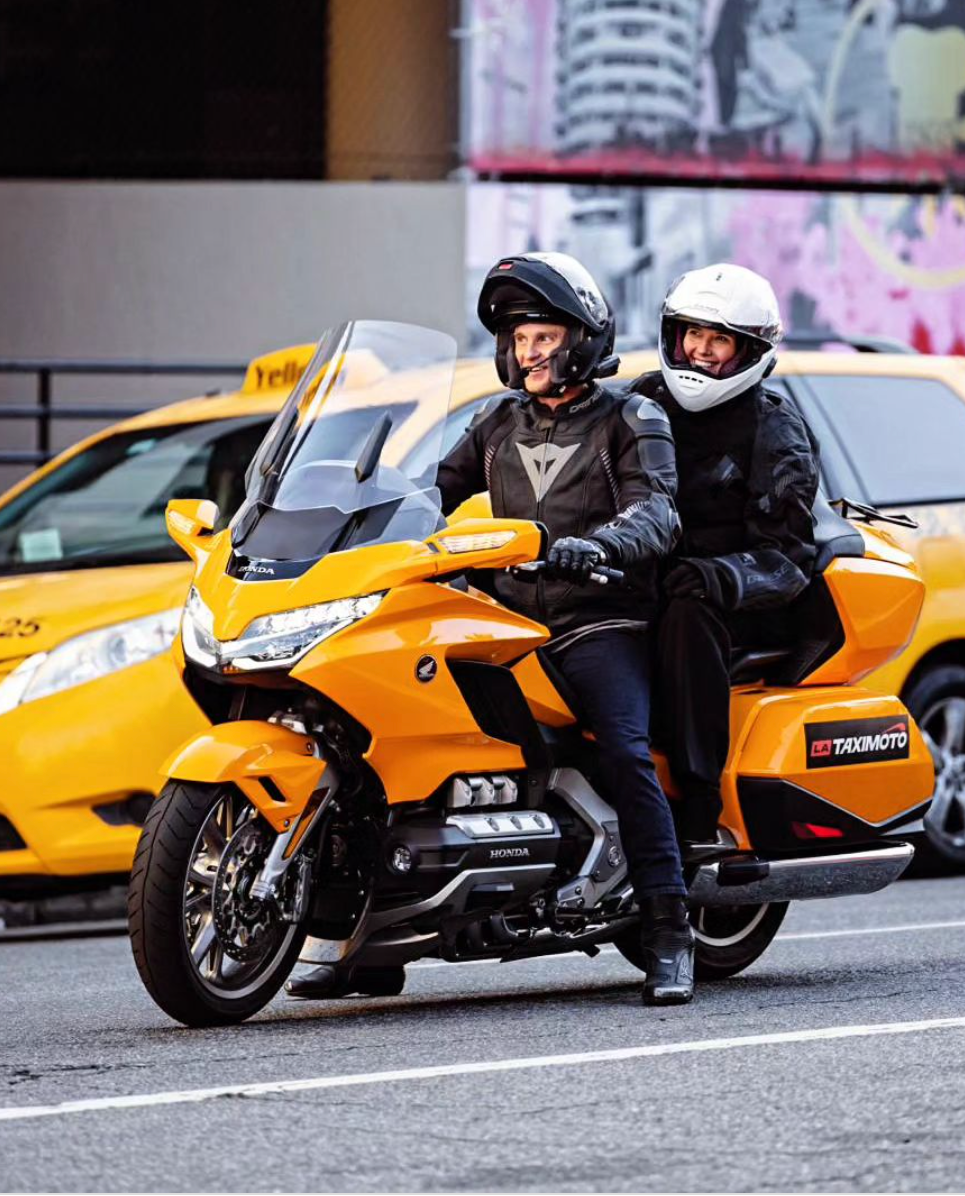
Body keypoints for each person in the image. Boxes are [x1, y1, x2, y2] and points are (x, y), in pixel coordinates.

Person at [288, 253, 694, 1006]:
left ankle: (670, 931)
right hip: (503, 620)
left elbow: (659, 509)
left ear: (580, 339)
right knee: (391, 739)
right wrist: (351, 528)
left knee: (627, 749)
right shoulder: (495, 421)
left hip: (596, 616)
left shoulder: (631, 417)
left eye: (544, 337)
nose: (530, 353)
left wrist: (598, 546)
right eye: (521, 340)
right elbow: (427, 495)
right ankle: (367, 940)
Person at [629, 263, 820, 844]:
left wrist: (714, 577)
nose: (701, 351)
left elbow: (788, 559)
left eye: (719, 340)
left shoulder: (774, 427)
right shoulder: (643, 400)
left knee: (687, 618)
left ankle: (698, 799)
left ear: (749, 350)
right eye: (692, 334)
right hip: (648, 575)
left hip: (735, 602)